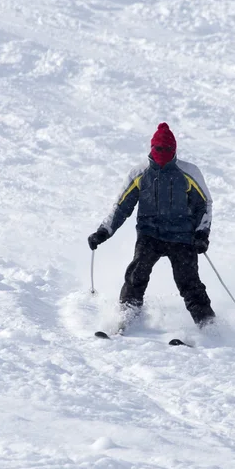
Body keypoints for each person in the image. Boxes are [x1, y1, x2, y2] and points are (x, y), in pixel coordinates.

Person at [88, 122, 216, 328]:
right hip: (150, 235)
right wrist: (103, 232)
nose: (162, 153)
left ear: (174, 150)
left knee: (189, 282)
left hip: (182, 237)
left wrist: (202, 233)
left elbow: (204, 205)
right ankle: (126, 316)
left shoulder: (189, 172)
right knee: (136, 273)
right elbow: (121, 207)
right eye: (158, 149)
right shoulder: (140, 174)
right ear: (151, 149)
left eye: (167, 149)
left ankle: (208, 325)